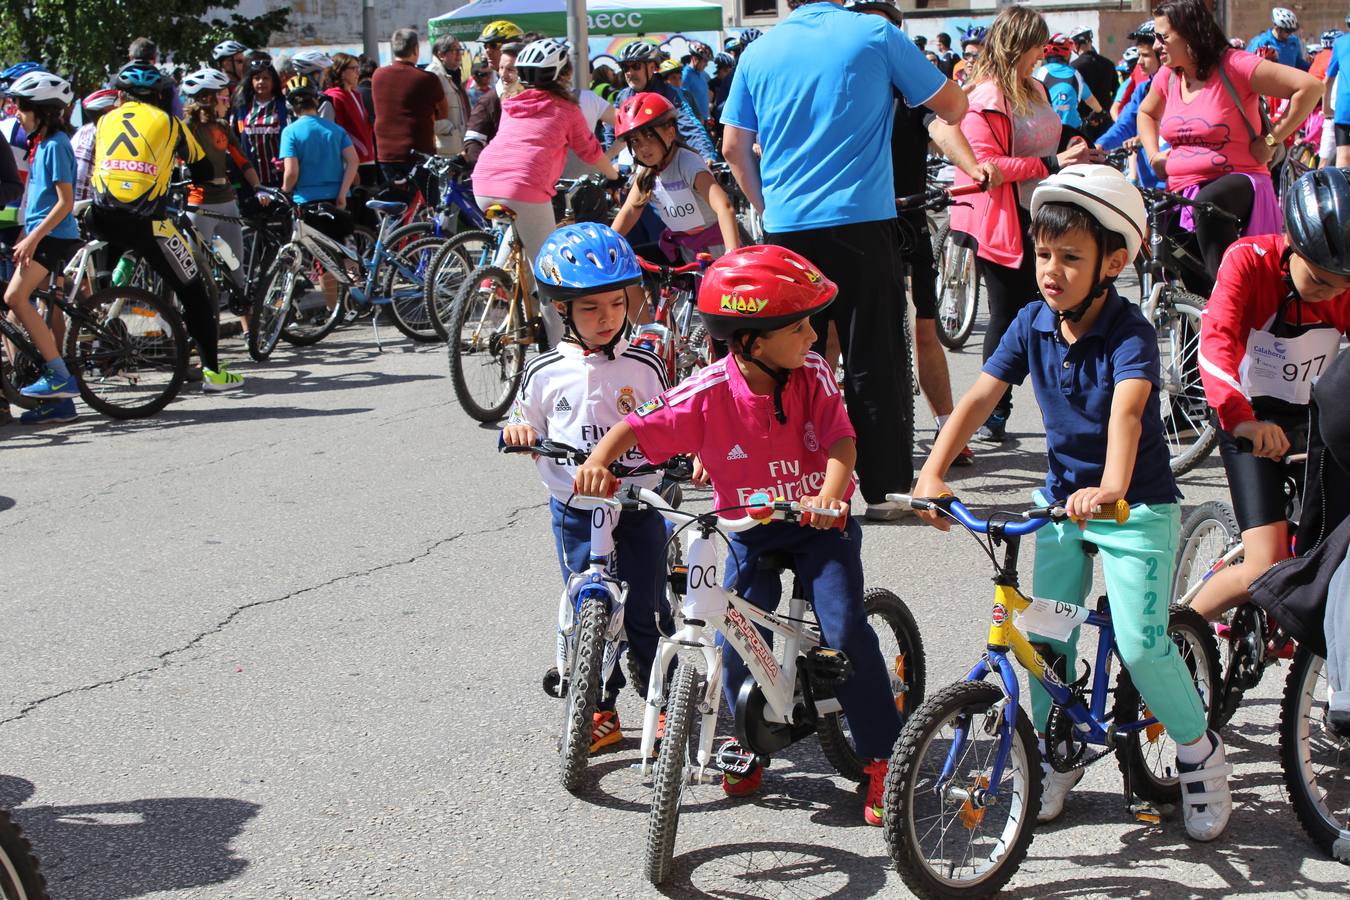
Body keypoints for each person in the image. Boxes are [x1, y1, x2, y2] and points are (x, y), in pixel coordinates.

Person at [914, 164, 1231, 842]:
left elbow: (1127, 413)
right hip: (1062, 507)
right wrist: (932, 474)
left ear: (1114, 262)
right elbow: (979, 398)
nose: (1051, 270)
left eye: (1071, 258)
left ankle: (1200, 754)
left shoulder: (1129, 333)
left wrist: (1113, 487)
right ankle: (1053, 756)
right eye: (1044, 253)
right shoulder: (1032, 322)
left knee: (1144, 649)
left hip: (1132, 508)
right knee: (1047, 635)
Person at [575, 245, 906, 825]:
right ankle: (747, 744)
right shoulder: (707, 391)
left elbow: (841, 439)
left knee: (845, 629)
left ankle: (885, 756)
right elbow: (638, 423)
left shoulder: (813, 372)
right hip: (748, 529)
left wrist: (831, 494)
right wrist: (601, 459)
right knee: (733, 628)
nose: (812, 335)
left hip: (817, 525)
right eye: (798, 325)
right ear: (751, 341)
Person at [720, 0, 966, 520]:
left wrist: (766, 206)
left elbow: (733, 148)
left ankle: (779, 483)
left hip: (787, 228)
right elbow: (954, 107)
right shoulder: (874, 32)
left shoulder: (758, 50)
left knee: (785, 356)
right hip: (861, 221)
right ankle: (883, 492)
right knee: (871, 358)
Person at [502, 222, 670, 751]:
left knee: (645, 608)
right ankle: (600, 707)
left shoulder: (644, 365)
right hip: (576, 509)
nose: (607, 318)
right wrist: (520, 431)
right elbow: (521, 419)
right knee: (588, 607)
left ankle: (663, 699)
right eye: (592, 308)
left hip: (637, 506)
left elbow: (670, 421)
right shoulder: (545, 372)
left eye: (617, 304)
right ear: (562, 310)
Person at [1189, 168, 1350, 626]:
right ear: (1290, 244)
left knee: (1327, 553)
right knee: (1266, 564)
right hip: (1248, 415)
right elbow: (1216, 341)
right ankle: (1172, 648)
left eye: (1342, 287)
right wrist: (1241, 420)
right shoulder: (1247, 261)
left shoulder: (1340, 284)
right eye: (1319, 281)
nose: (1330, 297)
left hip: (1312, 419)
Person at [846, 0, 998, 468]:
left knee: (926, 331)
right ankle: (829, 430)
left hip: (908, 219)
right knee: (833, 339)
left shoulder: (911, 91)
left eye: (888, 30)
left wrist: (973, 166)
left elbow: (941, 126)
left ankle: (947, 427)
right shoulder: (847, 90)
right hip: (858, 224)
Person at [942, 4, 1100, 445]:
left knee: (1062, 309)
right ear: (1019, 45)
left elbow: (1047, 137)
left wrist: (1074, 147)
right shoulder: (984, 97)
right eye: (1037, 46)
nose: (1043, 53)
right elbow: (986, 167)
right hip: (1006, 221)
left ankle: (1069, 406)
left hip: (1045, 215)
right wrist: (1051, 162)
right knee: (1010, 316)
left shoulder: (1034, 86)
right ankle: (993, 410)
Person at [1138, 0, 1320, 295]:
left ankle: (1232, 300)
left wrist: (1272, 140)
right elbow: (1146, 113)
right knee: (1169, 244)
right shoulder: (1169, 77)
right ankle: (1197, 319)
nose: (1157, 45)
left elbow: (1310, 87)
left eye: (1163, 36)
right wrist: (1153, 155)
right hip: (1183, 188)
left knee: (1209, 205)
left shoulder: (1234, 65)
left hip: (1240, 180)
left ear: (1191, 33)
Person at [91, 63, 243, 392]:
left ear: (120, 95)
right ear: (160, 95)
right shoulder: (171, 124)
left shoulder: (104, 121)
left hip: (100, 216)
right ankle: (214, 373)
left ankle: (101, 319)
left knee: (107, 275)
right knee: (194, 292)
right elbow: (201, 167)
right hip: (147, 221)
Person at [470, 38, 619, 345]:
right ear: (563, 75)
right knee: (550, 271)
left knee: (518, 231)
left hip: (483, 183)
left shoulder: (512, 103)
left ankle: (498, 280)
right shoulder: (567, 109)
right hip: (524, 188)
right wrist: (615, 175)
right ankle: (557, 349)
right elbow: (590, 152)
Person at [3, 71, 82, 424]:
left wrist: (33, 238)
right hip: (40, 235)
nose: (16, 114)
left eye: (21, 107)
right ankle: (60, 404)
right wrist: (27, 233)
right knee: (17, 311)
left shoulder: (57, 146)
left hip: (54, 238)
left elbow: (64, 202)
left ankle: (58, 374)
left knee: (14, 299)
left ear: (43, 110)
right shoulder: (43, 144)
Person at [181, 68, 266, 328]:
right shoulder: (186, 129)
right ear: (208, 99)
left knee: (235, 268)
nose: (227, 102)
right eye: (223, 97)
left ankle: (249, 331)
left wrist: (259, 187)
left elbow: (242, 160)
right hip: (199, 206)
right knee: (196, 274)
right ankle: (198, 334)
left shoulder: (222, 127)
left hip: (227, 203)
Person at [610, 92, 739, 262]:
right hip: (682, 248)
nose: (643, 147)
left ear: (670, 132)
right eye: (635, 141)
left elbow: (725, 207)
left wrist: (732, 256)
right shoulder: (647, 171)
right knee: (629, 266)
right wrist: (606, 244)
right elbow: (629, 211)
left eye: (649, 136)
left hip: (715, 248)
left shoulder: (687, 163)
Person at [278, 75, 359, 316]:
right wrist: (343, 193)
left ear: (292, 106)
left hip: (307, 203)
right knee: (344, 251)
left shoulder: (290, 132)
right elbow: (353, 162)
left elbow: (291, 172)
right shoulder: (335, 129)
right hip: (336, 199)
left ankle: (333, 310)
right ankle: (359, 294)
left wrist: (285, 192)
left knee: (321, 260)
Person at [606, 41, 717, 163]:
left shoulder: (670, 94)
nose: (629, 73)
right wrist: (613, 162)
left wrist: (706, 154)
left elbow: (689, 125)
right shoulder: (623, 96)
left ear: (652, 68)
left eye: (636, 66)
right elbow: (612, 132)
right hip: (636, 166)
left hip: (669, 162)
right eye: (625, 68)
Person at [371, 28, 448, 185]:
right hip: (419, 152)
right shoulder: (427, 79)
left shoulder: (378, 75)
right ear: (415, 49)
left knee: (397, 205)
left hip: (386, 153)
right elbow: (443, 112)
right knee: (426, 205)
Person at [1096, 22, 1165, 190]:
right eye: (1139, 55)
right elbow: (1125, 125)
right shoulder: (1143, 90)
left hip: (1175, 185)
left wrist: (1145, 136)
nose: (1139, 62)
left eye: (1146, 55)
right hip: (1149, 186)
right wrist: (1099, 147)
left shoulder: (1180, 88)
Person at [462, 37, 528, 165]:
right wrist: (484, 169)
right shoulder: (489, 100)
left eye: (510, 69)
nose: (503, 74)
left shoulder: (538, 99)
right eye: (501, 68)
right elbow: (473, 141)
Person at [233, 54, 287, 189]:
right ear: (250, 81)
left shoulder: (283, 105)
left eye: (266, 78)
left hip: (279, 176)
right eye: (257, 78)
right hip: (252, 178)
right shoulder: (243, 107)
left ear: (273, 81)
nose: (261, 82)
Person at [322, 53, 376, 186]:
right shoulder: (332, 98)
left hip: (368, 159)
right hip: (352, 162)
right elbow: (330, 135)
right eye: (353, 68)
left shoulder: (356, 94)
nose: (358, 72)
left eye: (358, 68)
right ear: (340, 71)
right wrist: (347, 166)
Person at [1036, 33, 1103, 132]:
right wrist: (1100, 112)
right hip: (1073, 130)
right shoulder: (1075, 74)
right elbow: (1091, 100)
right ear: (1067, 55)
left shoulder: (1039, 73)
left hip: (1046, 130)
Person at [426, 35, 470, 157]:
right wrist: (448, 128)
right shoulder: (433, 75)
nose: (459, 54)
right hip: (443, 149)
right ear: (441, 54)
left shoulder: (454, 74)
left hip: (458, 147)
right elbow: (425, 115)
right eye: (454, 50)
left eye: (460, 50)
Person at [72, 88, 118, 201]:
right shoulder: (95, 135)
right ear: (110, 110)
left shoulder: (86, 130)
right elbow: (81, 180)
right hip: (82, 207)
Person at [1068, 27, 1121, 118]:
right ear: (1090, 42)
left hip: (1084, 119)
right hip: (1106, 118)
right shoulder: (1108, 64)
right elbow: (1117, 92)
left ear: (1076, 45)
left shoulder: (1073, 67)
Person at [1249, 7, 1310, 71]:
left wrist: (1313, 65)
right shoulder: (1261, 42)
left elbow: (1299, 64)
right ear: (1277, 28)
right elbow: (1249, 66)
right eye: (1287, 31)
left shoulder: (1294, 42)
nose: (1290, 34)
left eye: (1292, 30)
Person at [478, 19, 524, 90]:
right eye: (485, 46)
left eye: (494, 45)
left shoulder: (528, 85)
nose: (488, 51)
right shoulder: (499, 84)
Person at [290, 50, 336, 121]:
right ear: (313, 76)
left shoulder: (289, 99)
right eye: (323, 73)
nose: (325, 78)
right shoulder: (323, 101)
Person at [681, 41, 713, 123]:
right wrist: (696, 117)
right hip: (695, 123)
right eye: (705, 61)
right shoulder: (685, 76)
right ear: (695, 59)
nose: (706, 65)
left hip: (705, 120)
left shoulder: (702, 74)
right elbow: (684, 102)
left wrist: (709, 116)